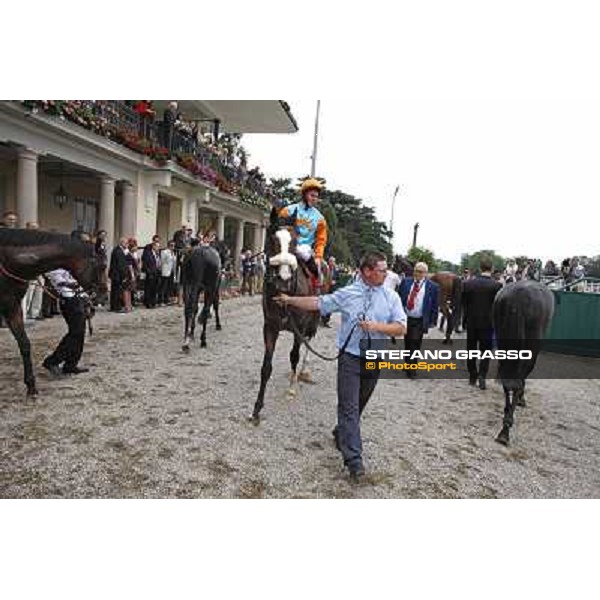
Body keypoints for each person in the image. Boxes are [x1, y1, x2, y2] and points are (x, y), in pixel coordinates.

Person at [274, 252, 407, 481]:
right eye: (382, 270)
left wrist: (376, 326)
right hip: (350, 358)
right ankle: (354, 460)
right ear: (367, 271)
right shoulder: (348, 293)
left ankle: (340, 432)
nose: (387, 274)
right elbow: (318, 303)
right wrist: (290, 300)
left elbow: (401, 327)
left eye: (386, 270)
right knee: (349, 407)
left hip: (376, 357)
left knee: (359, 405)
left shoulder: (392, 297)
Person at [461, 257, 503, 389]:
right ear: (491, 269)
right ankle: (482, 375)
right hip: (489, 324)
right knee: (486, 351)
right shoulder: (497, 286)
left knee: (471, 350)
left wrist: (464, 320)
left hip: (472, 322)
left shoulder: (468, 284)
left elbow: (464, 304)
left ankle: (472, 375)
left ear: (480, 268)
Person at [274, 178, 327, 279]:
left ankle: (317, 286)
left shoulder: (320, 219)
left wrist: (318, 257)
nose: (314, 199)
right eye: (312, 195)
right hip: (286, 247)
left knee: (302, 252)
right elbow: (278, 229)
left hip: (305, 248)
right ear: (304, 195)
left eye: (316, 196)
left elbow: (321, 240)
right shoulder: (288, 210)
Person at [42, 269, 90, 376]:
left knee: (80, 333)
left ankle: (71, 364)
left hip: (77, 298)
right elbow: (60, 282)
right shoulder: (53, 266)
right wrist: (73, 285)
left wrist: (85, 296)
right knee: (75, 333)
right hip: (67, 299)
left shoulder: (66, 264)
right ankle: (52, 361)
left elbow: (73, 280)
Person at [397, 262, 439, 378]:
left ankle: (412, 368)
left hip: (419, 320)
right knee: (407, 341)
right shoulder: (406, 282)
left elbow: (435, 306)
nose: (418, 274)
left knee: (415, 342)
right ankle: (407, 363)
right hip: (406, 318)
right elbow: (399, 298)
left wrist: (432, 321)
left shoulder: (432, 287)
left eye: (421, 272)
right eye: (416, 271)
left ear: (426, 273)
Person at [108, 237, 129, 312]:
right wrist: (124, 275)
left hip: (115, 274)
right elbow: (121, 265)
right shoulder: (119, 251)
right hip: (117, 274)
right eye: (126, 243)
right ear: (122, 243)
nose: (127, 245)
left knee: (114, 291)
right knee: (117, 291)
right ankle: (117, 307)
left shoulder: (117, 250)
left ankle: (113, 306)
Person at [142, 238, 161, 308]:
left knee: (154, 289)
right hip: (150, 273)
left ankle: (153, 302)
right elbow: (146, 263)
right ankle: (148, 302)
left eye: (158, 247)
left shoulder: (157, 254)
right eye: (157, 246)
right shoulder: (148, 253)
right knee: (149, 289)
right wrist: (148, 272)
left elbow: (158, 263)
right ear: (153, 247)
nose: (158, 248)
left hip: (156, 273)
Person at [159, 240, 176, 305]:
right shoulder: (165, 252)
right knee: (163, 286)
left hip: (171, 271)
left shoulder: (173, 253)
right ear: (168, 245)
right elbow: (162, 261)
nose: (173, 247)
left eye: (174, 245)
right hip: (165, 271)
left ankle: (166, 299)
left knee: (169, 286)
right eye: (171, 245)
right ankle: (161, 300)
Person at [94, 230, 109, 307]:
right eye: (102, 235)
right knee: (99, 283)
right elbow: (97, 253)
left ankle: (102, 299)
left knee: (103, 283)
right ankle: (98, 300)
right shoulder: (97, 243)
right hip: (98, 265)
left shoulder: (103, 244)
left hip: (103, 265)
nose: (104, 236)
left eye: (105, 235)